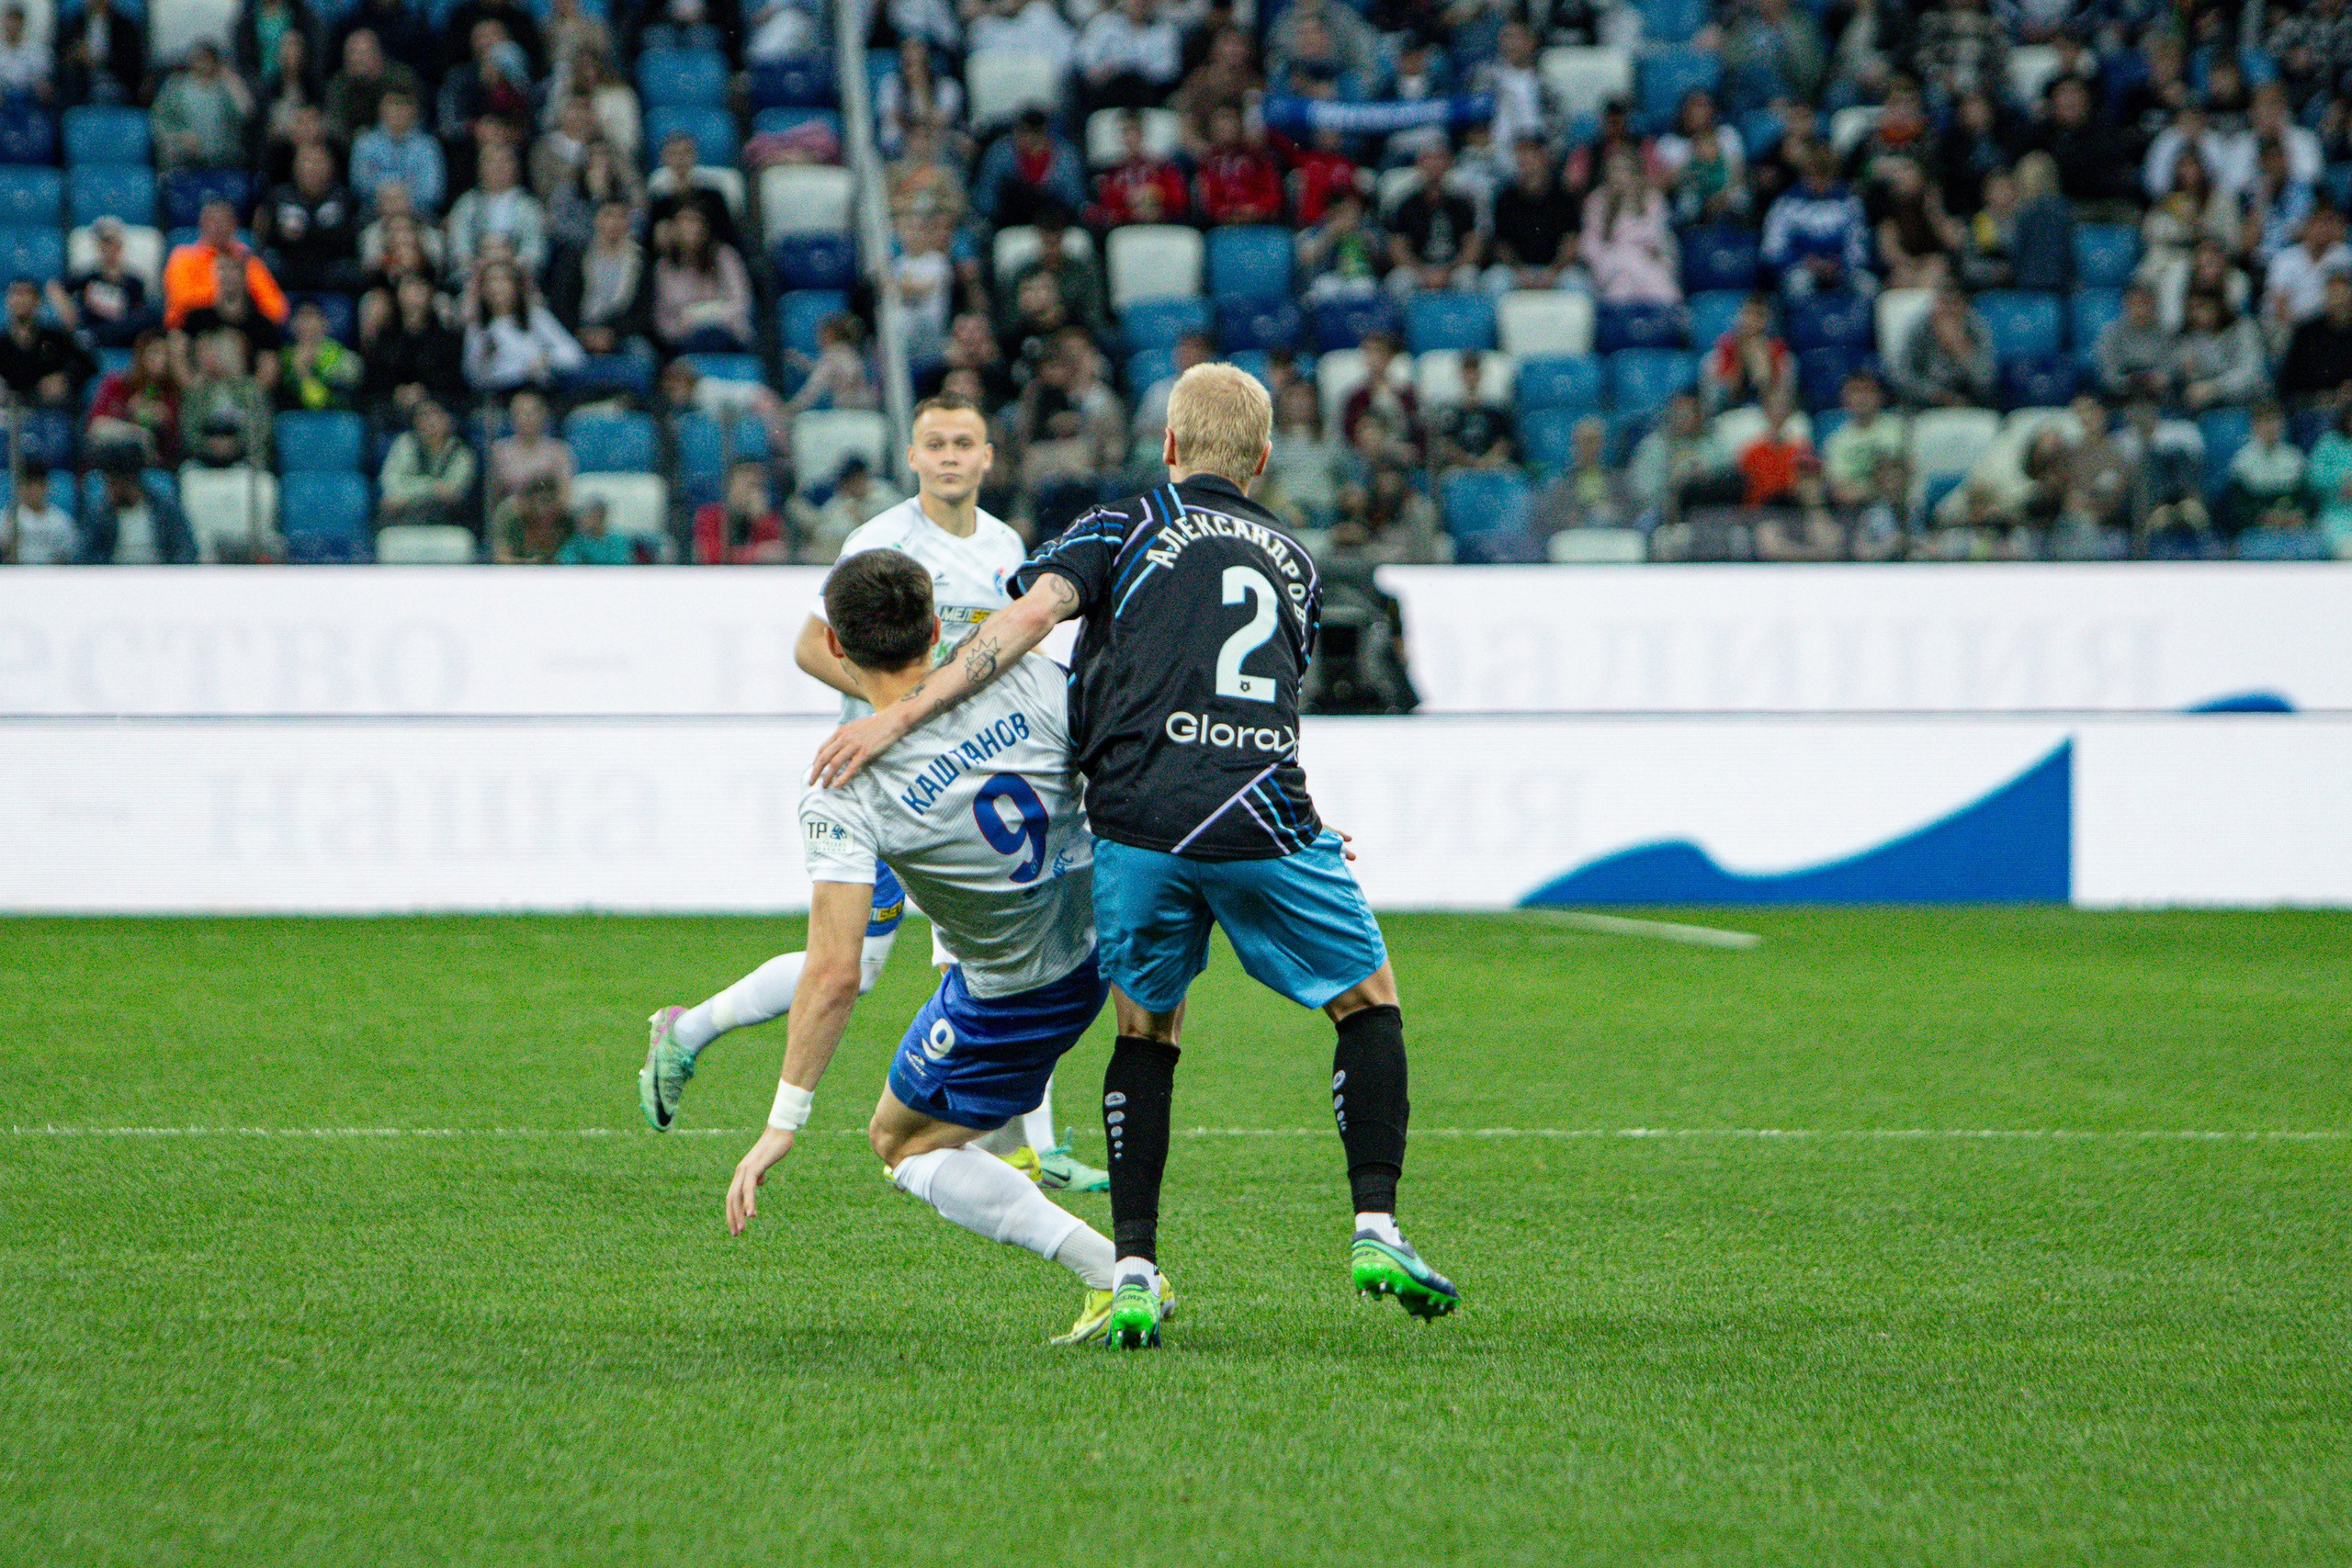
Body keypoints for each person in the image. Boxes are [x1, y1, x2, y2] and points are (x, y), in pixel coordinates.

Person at [808, 364, 1462, 1349]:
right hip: (1261, 812)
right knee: (1366, 1004)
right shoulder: (1294, 558)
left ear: (1166, 446)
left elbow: (1025, 624)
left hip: (1141, 821)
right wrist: (1304, 818)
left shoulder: (1123, 524)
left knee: (1147, 1035)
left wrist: (897, 712)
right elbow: (1268, 702)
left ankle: (1136, 1269)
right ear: (1263, 460)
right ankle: (1376, 1225)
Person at [643, 393, 1111, 1196]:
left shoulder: (1005, 545)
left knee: (1006, 935)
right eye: (936, 443)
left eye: (966, 441)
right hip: (897, 784)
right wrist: (900, 719)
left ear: (990, 456)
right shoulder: (880, 540)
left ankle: (1030, 1138)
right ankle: (689, 1029)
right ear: (914, 456)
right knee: (859, 967)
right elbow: (808, 645)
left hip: (975, 765)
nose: (951, 456)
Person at [718, 547, 1136, 1346]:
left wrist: (783, 1121)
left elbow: (836, 971)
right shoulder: (1025, 678)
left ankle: (1112, 1273)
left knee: (901, 1141)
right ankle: (1116, 1263)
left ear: (836, 649)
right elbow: (1130, 759)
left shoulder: (843, 786)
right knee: (932, 1122)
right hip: (1104, 939)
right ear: (939, 625)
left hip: (1019, 990)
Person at [163, 202, 291, 333]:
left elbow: (276, 308)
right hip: (192, 329)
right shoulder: (182, 257)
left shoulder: (247, 260)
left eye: (223, 221)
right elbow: (182, 300)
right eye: (212, 220)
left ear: (234, 225)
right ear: (201, 224)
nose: (218, 227)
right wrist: (228, 297)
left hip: (242, 329)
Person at [463, 259, 583, 394]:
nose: (499, 286)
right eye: (492, 280)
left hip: (536, 390)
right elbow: (473, 377)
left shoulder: (536, 317)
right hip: (499, 393)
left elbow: (574, 355)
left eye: (505, 280)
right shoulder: (477, 328)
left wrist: (546, 359)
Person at [651, 204, 752, 354]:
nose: (689, 227)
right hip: (686, 339)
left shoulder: (724, 256)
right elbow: (663, 319)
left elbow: (742, 303)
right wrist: (680, 328)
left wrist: (704, 315)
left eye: (694, 221)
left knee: (713, 337)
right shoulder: (664, 266)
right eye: (683, 221)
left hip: (727, 333)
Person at [379, 397, 478, 532]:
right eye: (423, 415)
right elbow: (391, 486)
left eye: (435, 414)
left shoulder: (461, 452)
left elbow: (452, 492)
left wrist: (410, 491)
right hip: (405, 514)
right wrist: (433, 486)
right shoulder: (404, 443)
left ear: (448, 420)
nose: (430, 421)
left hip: (447, 519)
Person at [1890, 285, 1996, 408]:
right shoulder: (1921, 328)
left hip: (1971, 402)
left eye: (1954, 304)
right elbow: (1902, 374)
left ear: (1964, 306)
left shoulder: (1976, 329)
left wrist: (1959, 347)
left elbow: (1986, 379)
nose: (1949, 311)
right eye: (1944, 304)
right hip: (1926, 402)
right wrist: (1938, 395)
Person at [152, 41, 252, 171]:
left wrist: (233, 81)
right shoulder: (176, 85)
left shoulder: (226, 87)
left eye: (207, 58)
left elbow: (246, 113)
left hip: (224, 162)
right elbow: (159, 120)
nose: (202, 63)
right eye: (198, 58)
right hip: (185, 162)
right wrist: (179, 136)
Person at [60, 218, 155, 349]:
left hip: (121, 338)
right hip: (93, 332)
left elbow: (139, 316)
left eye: (111, 242)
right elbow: (55, 287)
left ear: (120, 245)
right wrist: (69, 314)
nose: (108, 247)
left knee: (151, 315)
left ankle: (94, 336)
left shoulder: (134, 282)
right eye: (104, 242)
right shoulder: (88, 278)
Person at [0, 279, 96, 408]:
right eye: (16, 293)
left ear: (37, 301)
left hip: (50, 410)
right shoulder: (3, 344)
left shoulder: (54, 338)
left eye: (27, 294)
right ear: (8, 300)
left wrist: (66, 378)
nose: (21, 299)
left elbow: (88, 365)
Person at [350, 88, 445, 215]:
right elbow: (359, 184)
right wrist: (388, 195)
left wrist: (403, 200)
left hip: (418, 215)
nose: (399, 111)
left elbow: (432, 191)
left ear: (414, 110)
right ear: (381, 109)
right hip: (374, 212)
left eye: (405, 105)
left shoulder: (428, 146)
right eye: (393, 104)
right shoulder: (365, 143)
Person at [693, 459, 788, 562]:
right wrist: (755, 554)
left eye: (756, 486)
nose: (752, 491)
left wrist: (760, 520)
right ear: (729, 485)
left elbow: (775, 551)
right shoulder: (710, 516)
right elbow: (711, 556)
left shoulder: (767, 518)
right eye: (747, 483)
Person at [2281, 270, 2352, 407]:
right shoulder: (2306, 333)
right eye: (2334, 295)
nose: (2340, 302)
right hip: (2316, 406)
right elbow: (2292, 381)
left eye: (2344, 295)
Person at [1, 463, 78, 566]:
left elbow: (66, 555)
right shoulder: (8, 517)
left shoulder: (60, 520)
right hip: (18, 573)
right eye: (29, 486)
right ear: (20, 488)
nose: (34, 491)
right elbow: (4, 550)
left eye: (38, 486)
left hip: (52, 575)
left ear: (46, 487)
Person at [555, 495, 634, 563]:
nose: (588, 520)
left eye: (595, 516)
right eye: (588, 516)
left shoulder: (617, 539)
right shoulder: (579, 539)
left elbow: (621, 562)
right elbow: (565, 556)